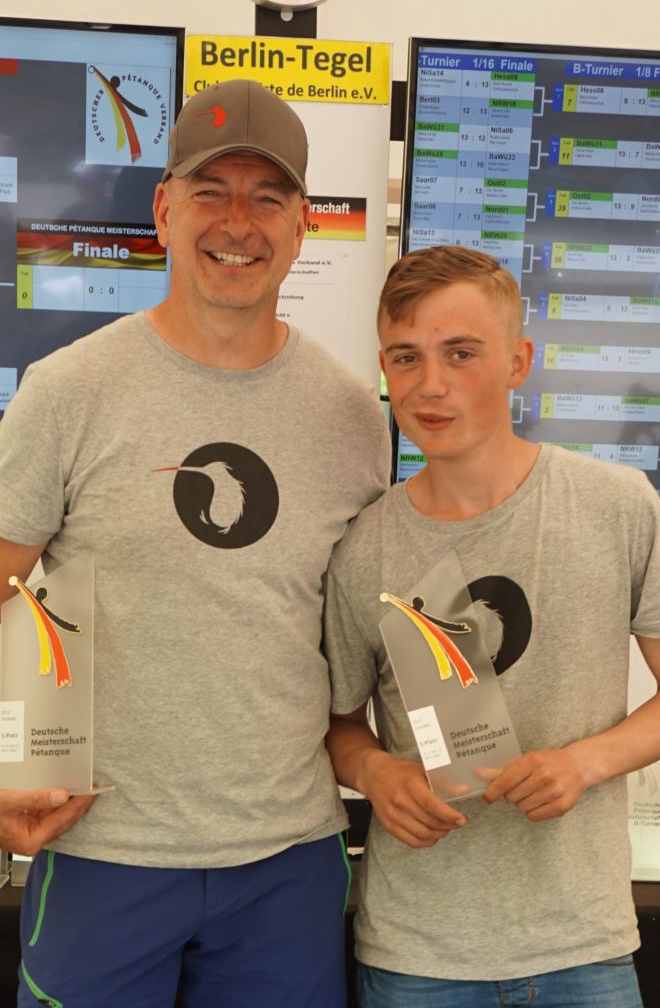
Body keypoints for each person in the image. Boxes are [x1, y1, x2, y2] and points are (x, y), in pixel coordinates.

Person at [0, 79, 390, 1007]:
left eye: (267, 197)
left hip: (287, 858)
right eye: (211, 191)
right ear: (164, 211)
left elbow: (360, 628)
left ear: (303, 225)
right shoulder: (68, 390)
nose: (237, 223)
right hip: (101, 844)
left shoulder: (351, 416)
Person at [324, 244, 660, 1007]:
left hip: (582, 943)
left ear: (518, 361)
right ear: (384, 371)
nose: (431, 383)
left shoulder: (615, 505)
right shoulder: (362, 548)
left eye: (461, 353)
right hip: (417, 953)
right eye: (406, 357)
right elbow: (339, 725)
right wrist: (376, 774)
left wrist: (583, 763)